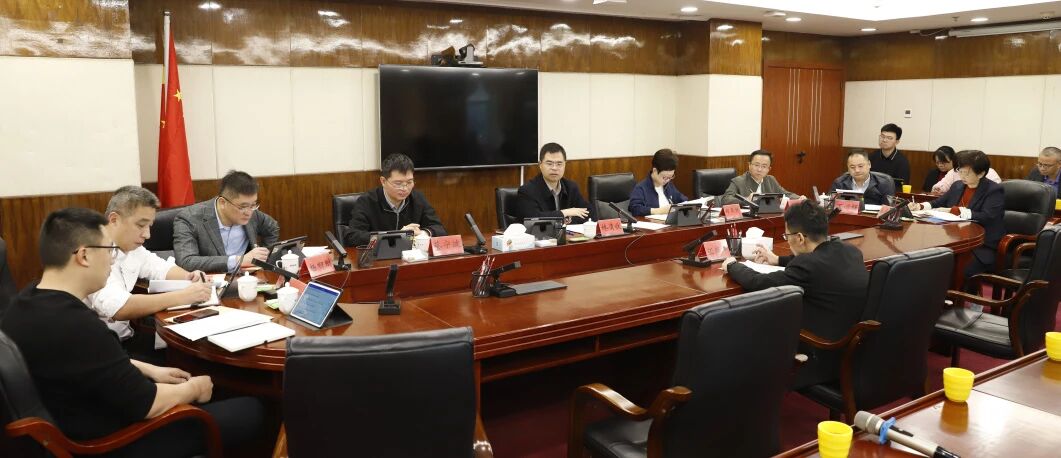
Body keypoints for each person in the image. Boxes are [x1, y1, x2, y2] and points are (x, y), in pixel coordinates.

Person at [0, 208, 262, 457]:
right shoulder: (78, 326)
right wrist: (195, 389)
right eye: (110, 250)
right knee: (251, 409)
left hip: (76, 416)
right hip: (113, 443)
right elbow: (148, 404)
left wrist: (150, 369)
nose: (113, 259)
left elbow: (83, 362)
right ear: (84, 256)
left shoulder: (23, 304)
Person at [720, 201, 868, 388]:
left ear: (799, 238)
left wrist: (732, 265)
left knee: (747, 321)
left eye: (787, 235)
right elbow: (815, 259)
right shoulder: (850, 251)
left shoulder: (808, 266)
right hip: (852, 347)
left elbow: (759, 283)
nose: (787, 239)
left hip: (820, 351)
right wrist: (777, 259)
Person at [86, 186, 212, 359]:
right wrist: (185, 296)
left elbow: (160, 267)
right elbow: (119, 308)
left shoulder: (132, 248)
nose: (147, 235)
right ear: (114, 220)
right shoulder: (93, 252)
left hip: (128, 336)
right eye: (141, 225)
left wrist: (189, 277)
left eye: (149, 226)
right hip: (102, 352)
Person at [910, 150, 1004, 279]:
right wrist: (920, 206)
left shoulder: (994, 190)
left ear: (981, 173)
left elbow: (986, 216)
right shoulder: (958, 185)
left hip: (979, 246)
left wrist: (954, 211)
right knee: (925, 261)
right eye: (960, 171)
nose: (962, 176)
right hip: (952, 240)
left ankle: (957, 292)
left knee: (952, 270)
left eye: (967, 173)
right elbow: (938, 202)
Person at [173, 170, 280, 272]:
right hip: (208, 281)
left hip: (246, 278)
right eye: (242, 207)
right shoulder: (189, 218)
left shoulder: (252, 212)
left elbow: (272, 227)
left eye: (253, 205)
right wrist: (239, 260)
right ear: (223, 203)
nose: (249, 212)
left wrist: (264, 259)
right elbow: (186, 261)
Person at [342, 153, 446, 247]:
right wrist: (396, 236)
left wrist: (423, 233)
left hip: (411, 257)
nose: (405, 188)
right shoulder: (367, 201)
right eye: (398, 183)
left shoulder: (417, 198)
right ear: (383, 181)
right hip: (379, 258)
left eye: (409, 182)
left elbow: (440, 229)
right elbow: (352, 236)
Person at [514, 142, 590, 223]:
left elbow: (589, 213)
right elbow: (532, 219)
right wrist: (564, 213)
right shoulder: (527, 191)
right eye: (549, 164)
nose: (554, 168)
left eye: (559, 164)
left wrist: (566, 220)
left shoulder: (571, 187)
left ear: (565, 165)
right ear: (540, 165)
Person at [720, 150, 799, 205]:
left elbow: (785, 194)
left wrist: (799, 198)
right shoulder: (738, 181)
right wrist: (747, 199)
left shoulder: (771, 180)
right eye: (756, 165)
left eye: (764, 166)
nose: (759, 169)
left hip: (768, 216)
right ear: (749, 165)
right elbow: (725, 199)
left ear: (769, 169)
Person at [628, 148, 689, 217]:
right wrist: (659, 211)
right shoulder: (641, 188)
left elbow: (683, 200)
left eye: (670, 177)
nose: (667, 180)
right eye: (664, 177)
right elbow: (635, 209)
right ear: (655, 171)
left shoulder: (669, 186)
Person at [828, 150, 895, 205]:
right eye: (852, 167)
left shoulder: (884, 183)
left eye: (860, 166)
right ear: (848, 168)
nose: (857, 170)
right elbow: (830, 205)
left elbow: (888, 210)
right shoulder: (839, 183)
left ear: (869, 164)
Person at [930, 154, 1001, 194]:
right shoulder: (955, 174)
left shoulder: (990, 173)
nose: (962, 175)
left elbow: (995, 191)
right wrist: (938, 188)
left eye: (966, 172)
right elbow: (944, 184)